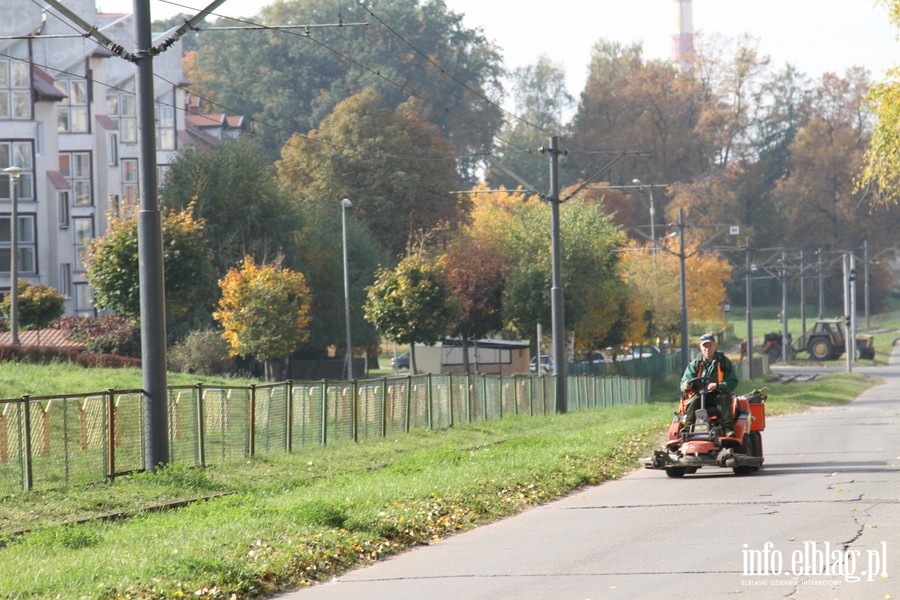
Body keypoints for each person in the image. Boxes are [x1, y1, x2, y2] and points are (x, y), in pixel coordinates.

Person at [679, 332, 738, 437]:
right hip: (701, 395)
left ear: (715, 346)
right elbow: (684, 382)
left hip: (719, 394)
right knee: (694, 401)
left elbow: (732, 381)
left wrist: (718, 385)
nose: (707, 349)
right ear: (700, 348)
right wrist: (686, 386)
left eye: (710, 345)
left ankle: (727, 428)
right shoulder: (695, 364)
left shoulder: (724, 362)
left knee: (724, 398)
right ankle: (687, 429)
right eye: (704, 346)